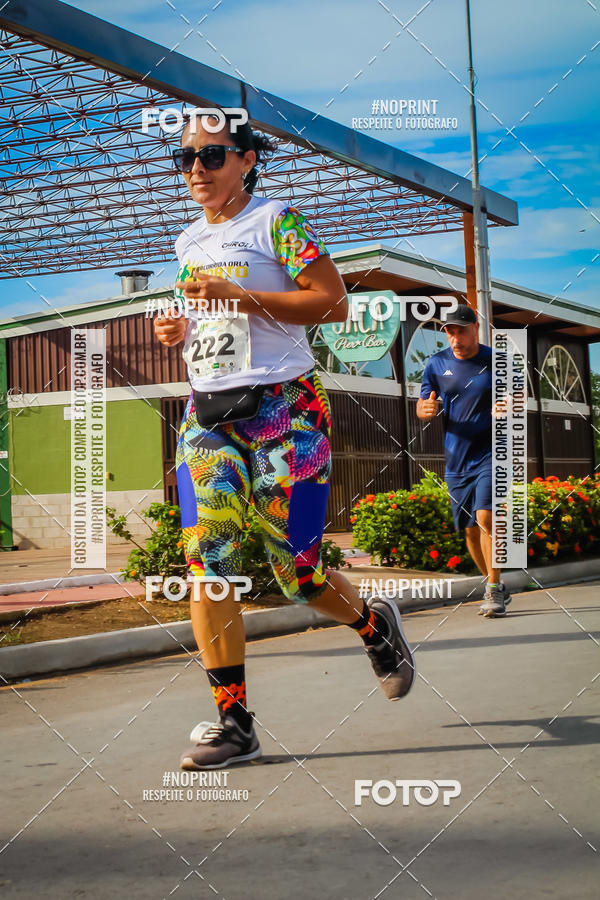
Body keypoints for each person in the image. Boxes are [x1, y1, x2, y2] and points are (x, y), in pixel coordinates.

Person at [153, 111, 416, 770]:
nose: (196, 171)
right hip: (209, 417)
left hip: (285, 411)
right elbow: (209, 314)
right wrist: (180, 331)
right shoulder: (187, 241)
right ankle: (233, 722)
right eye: (184, 159)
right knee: (206, 560)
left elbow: (332, 303)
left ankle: (373, 625)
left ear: (246, 160)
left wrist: (236, 296)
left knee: (294, 573)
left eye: (212, 156)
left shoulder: (277, 220)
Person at [416, 303, 512, 618]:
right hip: (457, 457)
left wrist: (507, 406)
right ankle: (493, 584)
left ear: (475, 329)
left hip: (492, 453)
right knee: (470, 530)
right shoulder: (436, 364)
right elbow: (423, 401)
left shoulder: (495, 360)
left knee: (487, 518)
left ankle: (494, 591)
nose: (455, 338)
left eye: (461, 331)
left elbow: (516, 395)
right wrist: (424, 410)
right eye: (450, 332)